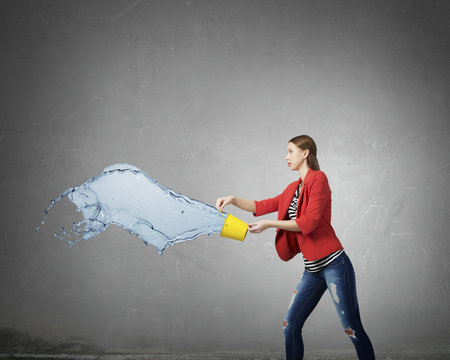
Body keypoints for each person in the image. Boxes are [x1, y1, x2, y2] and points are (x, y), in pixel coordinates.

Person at [216, 135, 375, 359]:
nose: (286, 156)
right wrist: (232, 199)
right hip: (312, 269)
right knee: (290, 325)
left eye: (291, 151)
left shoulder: (318, 179)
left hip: (334, 264)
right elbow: (261, 205)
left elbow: (308, 223)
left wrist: (269, 224)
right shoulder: (292, 189)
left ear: (305, 153)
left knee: (352, 328)